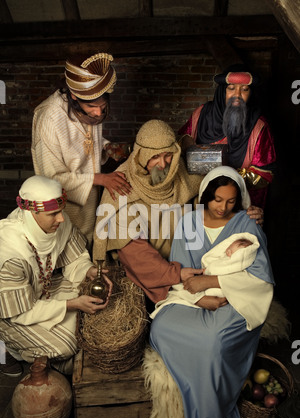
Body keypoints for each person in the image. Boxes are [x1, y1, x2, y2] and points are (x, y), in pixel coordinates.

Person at [148, 166, 274, 418]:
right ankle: (193, 384)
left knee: (213, 343)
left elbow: (260, 278)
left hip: (235, 300)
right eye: (217, 199)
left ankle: (209, 414)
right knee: (161, 327)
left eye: (231, 201)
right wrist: (200, 297)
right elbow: (182, 272)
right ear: (206, 195)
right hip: (193, 296)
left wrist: (212, 281)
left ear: (239, 199)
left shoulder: (246, 224)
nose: (223, 207)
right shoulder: (189, 223)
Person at [93, 120, 264, 309]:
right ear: (141, 155)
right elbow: (136, 255)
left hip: (191, 261)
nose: (163, 164)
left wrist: (244, 215)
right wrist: (178, 276)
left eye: (168, 156)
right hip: (154, 271)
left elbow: (217, 205)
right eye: (155, 157)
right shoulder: (122, 185)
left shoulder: (185, 175)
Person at [0, 176, 112, 377]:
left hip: (42, 290)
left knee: (84, 318)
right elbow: (20, 311)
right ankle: (7, 347)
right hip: (13, 310)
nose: (61, 218)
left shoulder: (59, 223)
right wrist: (72, 304)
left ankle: (58, 363)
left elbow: (73, 259)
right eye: (53, 214)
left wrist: (88, 271)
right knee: (67, 345)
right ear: (31, 213)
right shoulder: (9, 253)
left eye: (60, 211)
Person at [31, 52, 131, 249]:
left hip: (88, 197)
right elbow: (51, 177)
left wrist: (106, 146)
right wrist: (101, 178)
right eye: (92, 107)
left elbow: (83, 139)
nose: (98, 113)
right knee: (64, 246)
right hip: (62, 204)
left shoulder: (90, 108)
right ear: (74, 95)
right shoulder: (48, 118)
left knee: (85, 244)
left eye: (103, 107)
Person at [178, 63, 276, 208]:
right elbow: (177, 149)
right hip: (198, 199)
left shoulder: (258, 126)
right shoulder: (201, 115)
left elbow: (264, 175)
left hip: (236, 204)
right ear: (222, 91)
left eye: (245, 89)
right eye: (231, 88)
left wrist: (226, 176)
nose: (237, 95)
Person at [154, 232, 259, 309]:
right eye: (228, 249)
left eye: (231, 251)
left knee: (185, 290)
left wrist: (208, 273)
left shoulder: (235, 263)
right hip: (209, 283)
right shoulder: (225, 259)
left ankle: (189, 296)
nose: (227, 252)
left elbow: (217, 269)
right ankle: (189, 295)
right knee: (183, 286)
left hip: (220, 291)